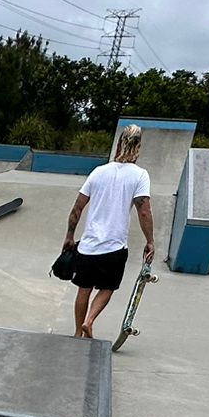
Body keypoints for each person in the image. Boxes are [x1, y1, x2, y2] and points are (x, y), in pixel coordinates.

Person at [61, 124, 155, 345]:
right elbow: (144, 211)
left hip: (88, 246)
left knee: (83, 289)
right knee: (108, 287)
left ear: (119, 144)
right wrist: (150, 241)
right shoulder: (140, 175)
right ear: (138, 146)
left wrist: (69, 235)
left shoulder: (98, 172)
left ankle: (77, 332)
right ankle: (90, 321)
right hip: (114, 247)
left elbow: (77, 207)